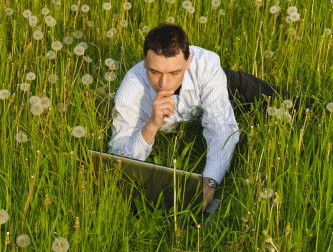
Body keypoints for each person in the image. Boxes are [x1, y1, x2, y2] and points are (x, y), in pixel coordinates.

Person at [108, 24, 311, 211]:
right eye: (154, 72)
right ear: (144, 61)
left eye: (173, 72)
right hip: (178, 112)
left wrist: (210, 180)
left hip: (219, 86)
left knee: (287, 104)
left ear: (188, 61)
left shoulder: (206, 66)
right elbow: (118, 160)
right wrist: (150, 127)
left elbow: (221, 128)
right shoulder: (131, 91)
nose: (164, 83)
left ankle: (317, 110)